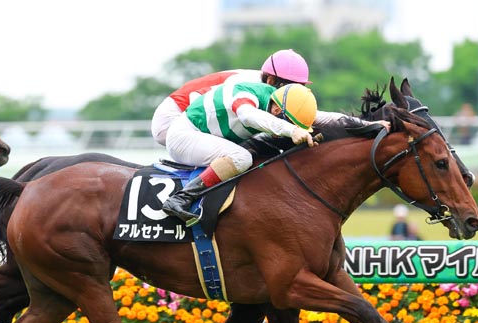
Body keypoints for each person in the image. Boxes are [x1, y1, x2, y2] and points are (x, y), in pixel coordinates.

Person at [162, 81, 390, 223]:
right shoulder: (247, 95)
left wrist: (369, 125)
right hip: (184, 136)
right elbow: (248, 117)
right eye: (285, 120)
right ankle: (181, 198)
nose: (285, 127)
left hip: (206, 137)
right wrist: (291, 130)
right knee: (242, 157)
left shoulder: (284, 101)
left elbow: (327, 117)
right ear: (276, 108)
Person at [151, 49, 313, 146]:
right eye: (290, 87)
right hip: (171, 118)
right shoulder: (246, 84)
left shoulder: (262, 88)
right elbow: (198, 102)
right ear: (271, 80)